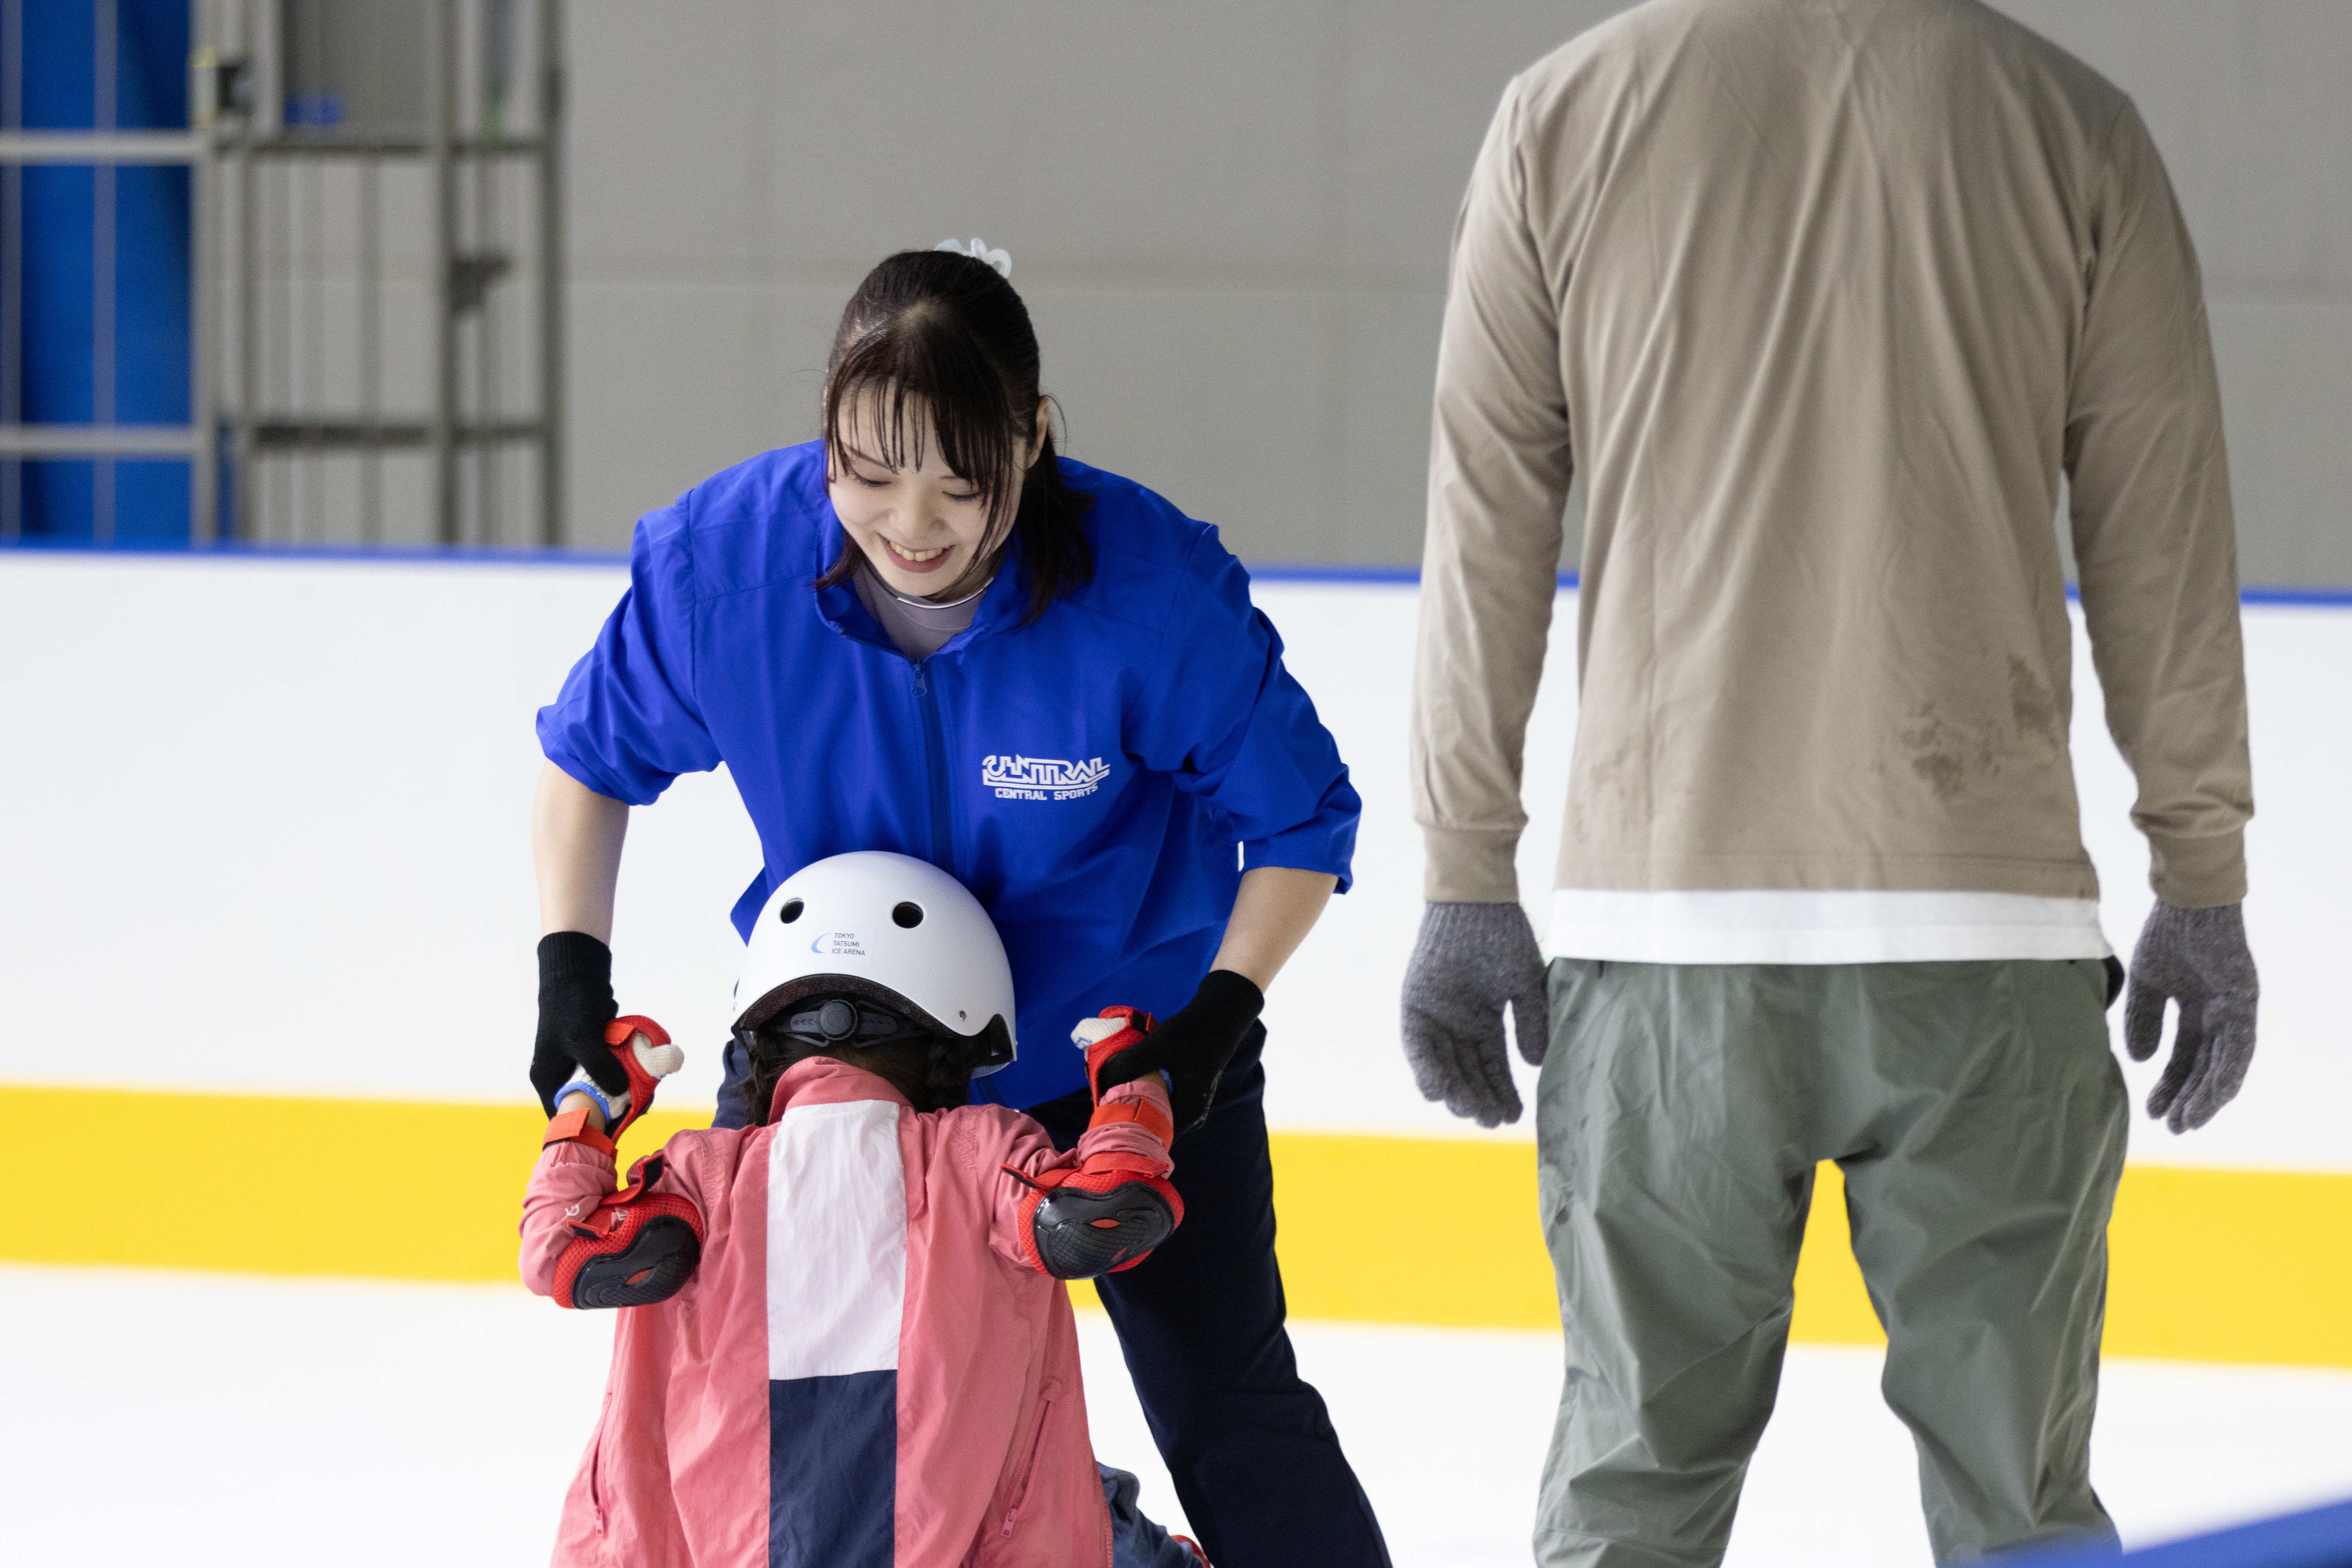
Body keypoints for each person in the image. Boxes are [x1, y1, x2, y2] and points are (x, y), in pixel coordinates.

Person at [1402, 1, 2258, 1563]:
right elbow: (2166, 534)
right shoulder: (2072, 124)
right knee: (2026, 1516)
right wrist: (2200, 873)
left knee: (1631, 1497)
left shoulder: (1562, 114)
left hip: (1669, 962)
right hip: (1984, 953)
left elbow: (1485, 530)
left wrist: (1468, 871)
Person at [531, 242, 1388, 1566]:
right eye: (868, 476)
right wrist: (569, 976)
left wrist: (1215, 1022)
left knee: (1225, 1401)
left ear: (1033, 440)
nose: (911, 525)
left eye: (959, 482)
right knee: (782, 1421)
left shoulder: (1148, 595)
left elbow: (1302, 823)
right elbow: (588, 763)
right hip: (847, 1076)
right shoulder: (728, 573)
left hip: (1131, 1070)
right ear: (825, 447)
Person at [521, 851, 1207, 1566]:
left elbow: (560, 1255)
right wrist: (1134, 1090)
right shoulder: (976, 1155)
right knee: (1061, 1486)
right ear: (959, 1034)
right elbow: (1102, 1217)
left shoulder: (703, 1174)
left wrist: (588, 1111)